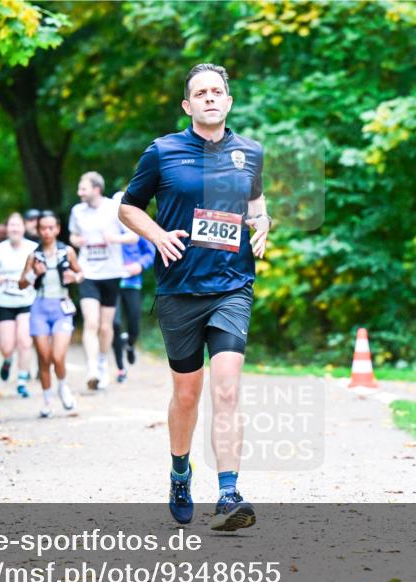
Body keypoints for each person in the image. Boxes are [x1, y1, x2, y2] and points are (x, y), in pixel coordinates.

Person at [118, 63, 271, 531]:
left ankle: (229, 493)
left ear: (228, 101)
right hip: (179, 289)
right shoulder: (162, 152)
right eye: (200, 93)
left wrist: (262, 223)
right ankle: (180, 471)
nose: (209, 98)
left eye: (216, 91)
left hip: (232, 285)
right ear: (188, 105)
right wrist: (157, 235)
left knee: (226, 387)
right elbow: (127, 206)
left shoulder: (250, 152)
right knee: (188, 394)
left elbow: (256, 203)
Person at [68, 171, 137, 390]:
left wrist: (114, 238)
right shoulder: (77, 211)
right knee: (91, 322)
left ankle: (102, 361)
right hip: (87, 272)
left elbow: (133, 236)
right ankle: (91, 369)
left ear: (96, 189)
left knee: (106, 327)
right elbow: (72, 236)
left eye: (83, 188)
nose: (80, 192)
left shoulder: (114, 208)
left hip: (111, 273)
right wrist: (77, 240)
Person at [18, 212, 81, 418]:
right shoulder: (33, 256)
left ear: (58, 228)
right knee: (44, 358)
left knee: (57, 355)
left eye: (51, 228)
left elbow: (80, 273)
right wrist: (34, 273)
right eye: (43, 228)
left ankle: (63, 387)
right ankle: (47, 401)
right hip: (39, 308)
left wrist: (74, 277)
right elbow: (22, 284)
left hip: (62, 307)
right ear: (38, 230)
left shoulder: (67, 251)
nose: (47, 232)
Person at [0, 212, 38, 397]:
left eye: (17, 225)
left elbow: (41, 272)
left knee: (25, 341)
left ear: (23, 228)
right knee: (7, 345)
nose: (14, 229)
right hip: (4, 302)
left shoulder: (33, 248)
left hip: (26, 301)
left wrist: (35, 279)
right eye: (11, 225)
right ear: (7, 229)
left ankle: (22, 381)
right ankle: (7, 360)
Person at [111, 191, 155, 384]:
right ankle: (121, 369)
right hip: (111, 281)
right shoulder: (107, 229)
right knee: (114, 323)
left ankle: (129, 343)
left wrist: (139, 265)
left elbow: (150, 252)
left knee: (134, 322)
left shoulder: (137, 227)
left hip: (132, 281)